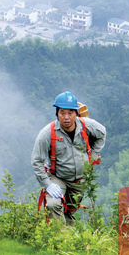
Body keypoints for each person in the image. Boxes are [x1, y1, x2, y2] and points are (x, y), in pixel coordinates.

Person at [31, 91, 106, 224]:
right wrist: (48, 185)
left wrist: (92, 154)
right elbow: (37, 161)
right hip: (58, 177)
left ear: (76, 114)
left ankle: (68, 241)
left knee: (70, 213)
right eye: (62, 113)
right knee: (53, 205)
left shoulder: (87, 126)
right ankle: (60, 239)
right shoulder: (47, 133)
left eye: (70, 113)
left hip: (79, 181)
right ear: (57, 113)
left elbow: (102, 133)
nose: (66, 117)